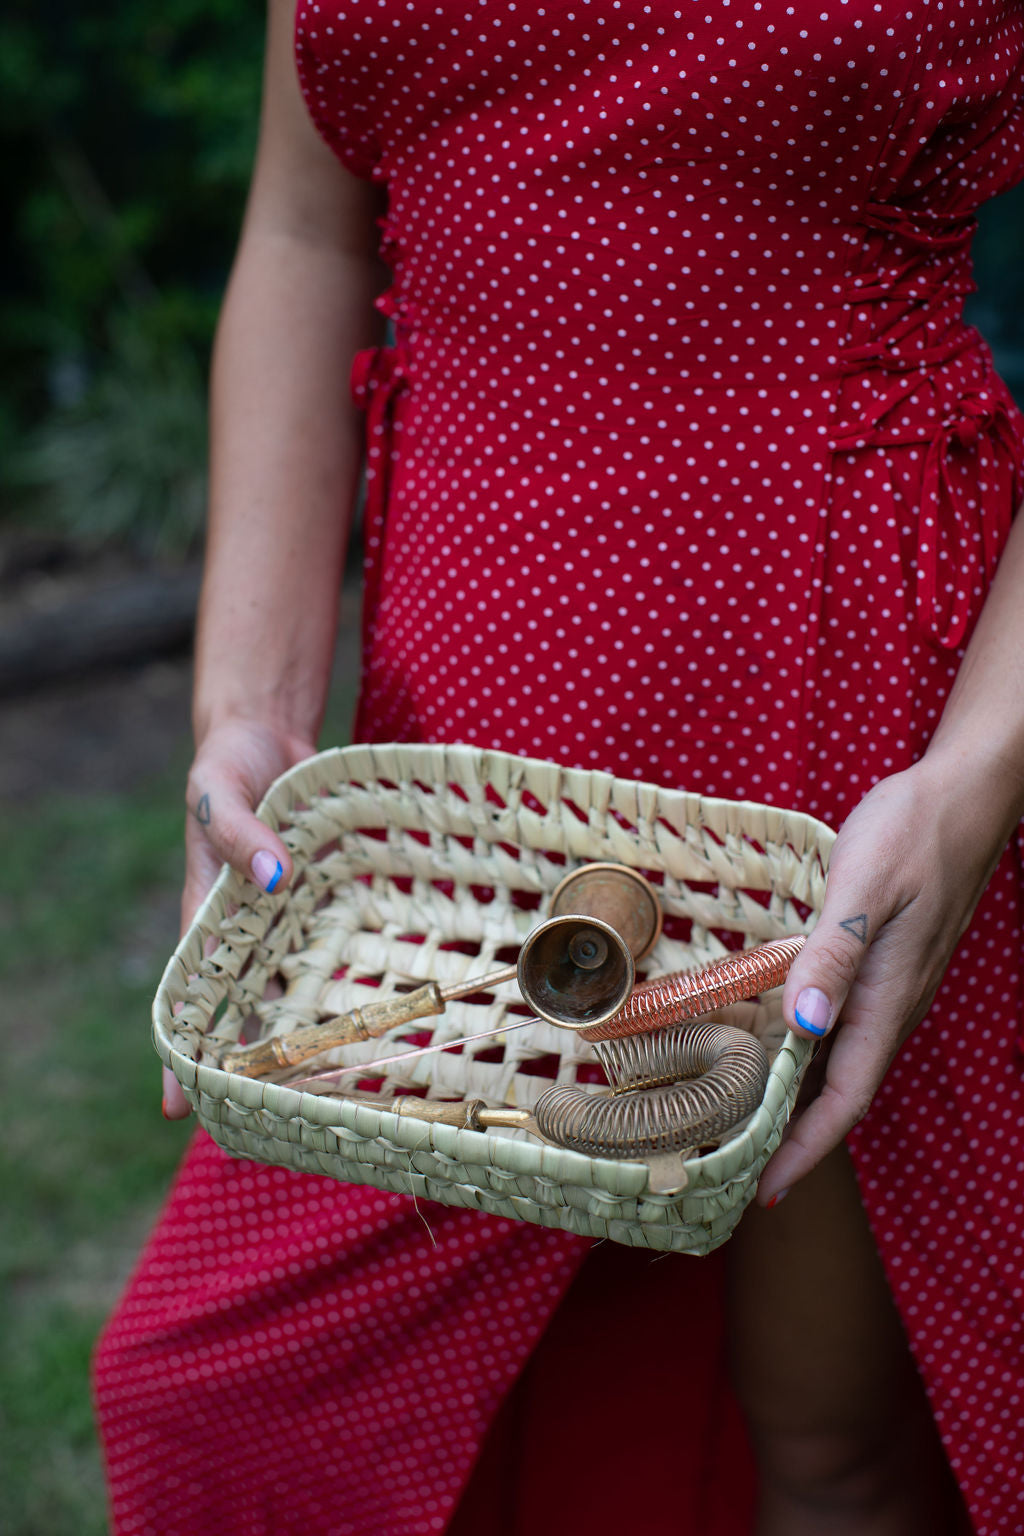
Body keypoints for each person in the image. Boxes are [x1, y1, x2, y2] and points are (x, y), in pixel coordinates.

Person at [93, 0, 1024, 1530]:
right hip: (453, 782)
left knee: (835, 1435)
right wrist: (243, 701)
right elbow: (307, 229)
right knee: (210, 1392)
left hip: (847, 739)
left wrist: (977, 777)